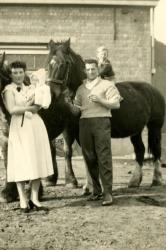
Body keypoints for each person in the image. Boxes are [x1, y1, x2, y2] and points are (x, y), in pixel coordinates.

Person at [2, 61, 53, 213]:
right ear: (10, 75)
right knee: (21, 161)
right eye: (15, 73)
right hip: (19, 128)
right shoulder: (8, 89)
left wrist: (32, 105)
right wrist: (30, 108)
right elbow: (12, 109)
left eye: (20, 72)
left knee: (35, 161)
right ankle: (23, 200)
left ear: (24, 73)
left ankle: (35, 198)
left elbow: (41, 105)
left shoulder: (32, 87)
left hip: (36, 126)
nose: (18, 75)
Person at [74, 59, 121, 206]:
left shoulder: (107, 85)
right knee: (89, 158)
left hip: (101, 121)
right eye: (87, 69)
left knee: (103, 157)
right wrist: (68, 104)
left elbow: (116, 104)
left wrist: (101, 100)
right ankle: (96, 191)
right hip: (84, 123)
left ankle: (108, 193)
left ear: (98, 70)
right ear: (84, 71)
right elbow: (76, 109)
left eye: (93, 69)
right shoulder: (81, 88)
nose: (90, 72)